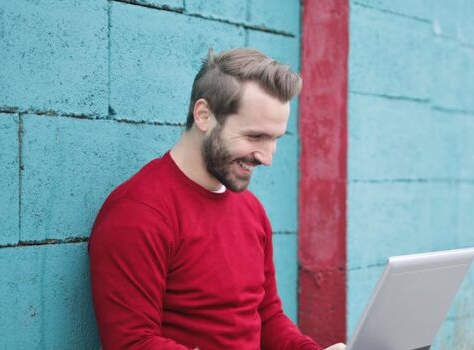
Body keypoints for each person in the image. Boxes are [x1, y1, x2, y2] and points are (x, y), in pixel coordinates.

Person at [88, 48, 345, 350]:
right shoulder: (139, 213)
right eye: (254, 137)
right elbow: (131, 342)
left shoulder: (252, 211)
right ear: (204, 115)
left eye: (274, 139)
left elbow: (267, 317)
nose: (267, 157)